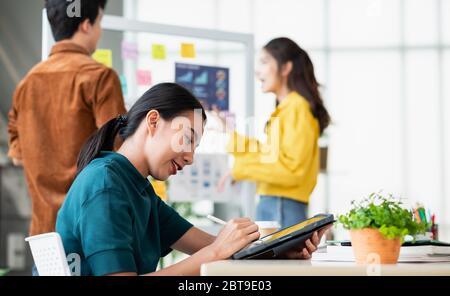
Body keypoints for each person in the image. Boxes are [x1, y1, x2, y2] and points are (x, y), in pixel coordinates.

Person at [56, 83, 328, 276]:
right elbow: (213, 251)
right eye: (187, 139)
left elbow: (218, 247)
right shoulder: (105, 185)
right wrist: (214, 253)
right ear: (153, 122)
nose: (190, 158)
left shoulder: (137, 188)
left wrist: (279, 253)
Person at [7, 0, 126, 237]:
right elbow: (120, 153)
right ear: (85, 25)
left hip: (44, 236)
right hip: (90, 232)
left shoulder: (26, 84)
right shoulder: (99, 77)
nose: (100, 30)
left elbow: (18, 156)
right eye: (99, 21)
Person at [220, 37, 331, 228]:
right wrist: (232, 136)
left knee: (278, 259)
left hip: (281, 205)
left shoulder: (296, 108)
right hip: (278, 204)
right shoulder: (289, 108)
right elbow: (272, 155)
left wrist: (240, 170)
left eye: (264, 62)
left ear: (286, 68)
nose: (257, 71)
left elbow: (292, 171)